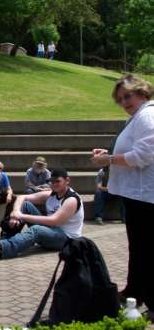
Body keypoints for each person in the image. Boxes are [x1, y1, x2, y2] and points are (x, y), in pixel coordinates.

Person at [91, 74, 154, 320]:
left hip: (146, 196)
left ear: (142, 91)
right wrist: (108, 154)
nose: (124, 101)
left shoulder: (148, 116)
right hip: (138, 195)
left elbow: (143, 155)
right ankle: (136, 292)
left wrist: (107, 160)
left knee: (146, 250)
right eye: (120, 99)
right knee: (139, 249)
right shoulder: (139, 117)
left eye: (128, 95)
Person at [0, 168, 84, 260]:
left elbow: (54, 221)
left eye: (57, 181)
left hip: (66, 239)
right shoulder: (51, 194)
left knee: (36, 230)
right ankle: (3, 240)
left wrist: (21, 216)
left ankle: (0, 249)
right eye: (51, 181)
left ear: (67, 181)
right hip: (51, 230)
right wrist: (16, 212)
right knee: (26, 205)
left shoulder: (71, 200)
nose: (54, 184)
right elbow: (22, 197)